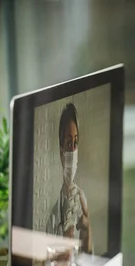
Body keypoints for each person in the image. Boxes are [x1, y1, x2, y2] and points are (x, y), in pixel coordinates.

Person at [46, 103, 93, 255]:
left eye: (75, 143)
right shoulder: (53, 216)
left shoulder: (82, 199)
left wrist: (87, 234)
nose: (73, 149)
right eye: (68, 143)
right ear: (61, 153)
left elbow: (91, 260)